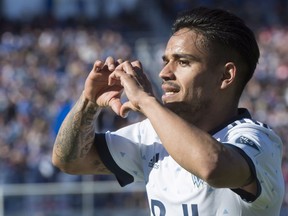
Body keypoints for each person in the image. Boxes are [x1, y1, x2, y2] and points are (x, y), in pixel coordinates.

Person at [52, 7, 284, 215]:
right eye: (166, 61)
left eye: (183, 62)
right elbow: (69, 160)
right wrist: (88, 102)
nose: (164, 72)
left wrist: (146, 101)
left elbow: (212, 166)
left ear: (226, 76)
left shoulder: (258, 141)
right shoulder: (152, 134)